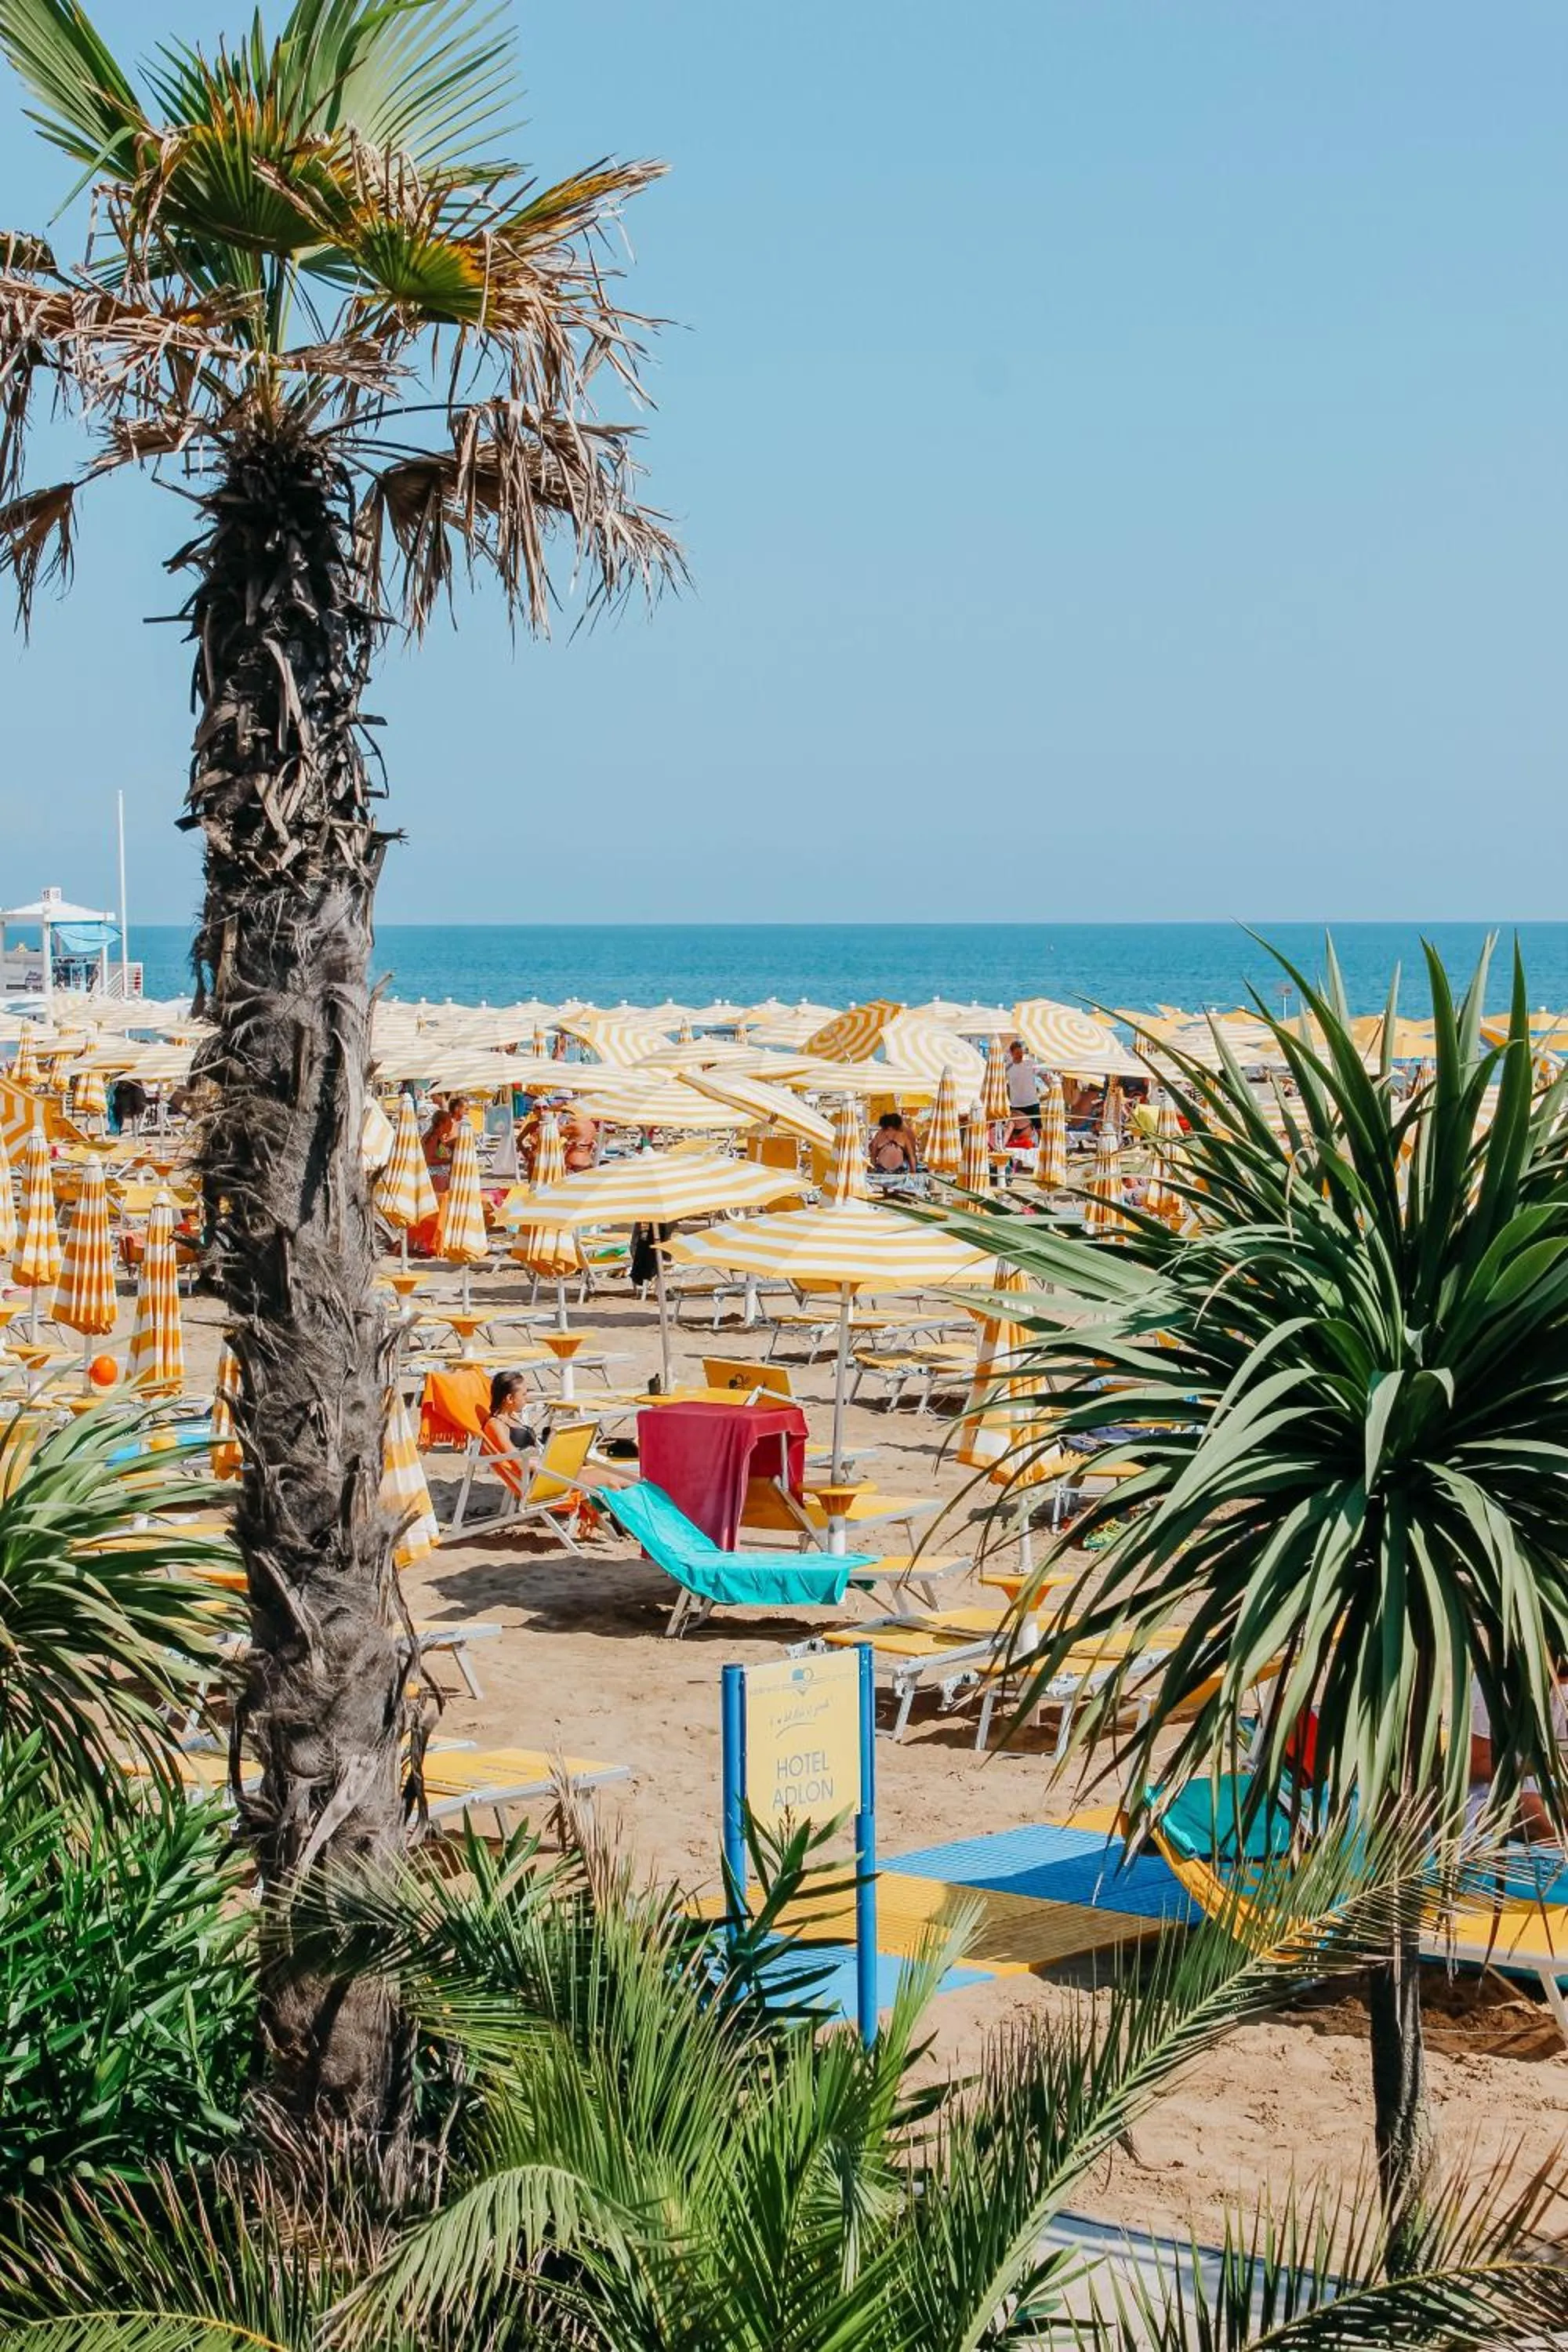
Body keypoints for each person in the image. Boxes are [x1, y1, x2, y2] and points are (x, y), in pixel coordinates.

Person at [483, 1370, 539, 1460]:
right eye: (523, 1395)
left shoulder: (511, 1416)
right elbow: (514, 1458)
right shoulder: (496, 1424)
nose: (527, 1398)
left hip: (537, 1466)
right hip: (529, 1470)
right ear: (509, 1398)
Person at [423, 1094, 466, 1185]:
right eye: (449, 1122)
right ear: (441, 1124)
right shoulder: (432, 1138)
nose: (451, 1124)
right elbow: (428, 1160)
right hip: (435, 1176)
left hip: (440, 1175)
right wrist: (450, 1160)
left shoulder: (437, 1136)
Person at [1006, 1039, 1041, 1132]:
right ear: (1011, 1053)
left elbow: (1042, 1075)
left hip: (1032, 1103)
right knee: (1016, 1131)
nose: (1020, 1055)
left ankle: (1044, 1146)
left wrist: (1051, 1086)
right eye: (1017, 1053)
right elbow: (1006, 1086)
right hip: (1016, 1105)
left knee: (1039, 1129)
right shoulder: (1008, 1068)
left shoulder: (1030, 1063)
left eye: (1021, 1053)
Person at [870, 1109, 920, 1174]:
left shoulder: (879, 1135)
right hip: (898, 1170)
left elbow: (873, 1156)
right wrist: (913, 1172)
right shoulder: (902, 1135)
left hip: (881, 1170)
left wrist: (871, 1172)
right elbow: (911, 1156)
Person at [561, 1104, 600, 1173]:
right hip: (587, 1162)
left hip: (574, 1161)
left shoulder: (575, 1125)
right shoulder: (592, 1125)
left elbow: (557, 1131)